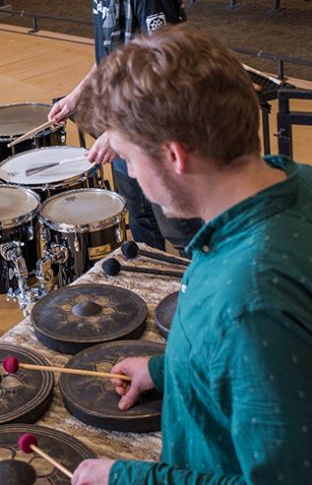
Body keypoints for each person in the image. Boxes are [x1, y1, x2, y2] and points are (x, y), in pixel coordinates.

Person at [67, 24, 312, 485]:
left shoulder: (250, 305)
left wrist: (124, 478)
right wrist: (171, 370)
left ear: (175, 156)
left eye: (130, 160)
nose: (134, 176)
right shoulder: (294, 180)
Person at [46, 0, 201, 253]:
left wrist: (121, 132)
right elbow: (114, 55)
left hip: (157, 131)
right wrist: (77, 95)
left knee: (183, 233)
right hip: (120, 125)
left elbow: (168, 70)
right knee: (141, 219)